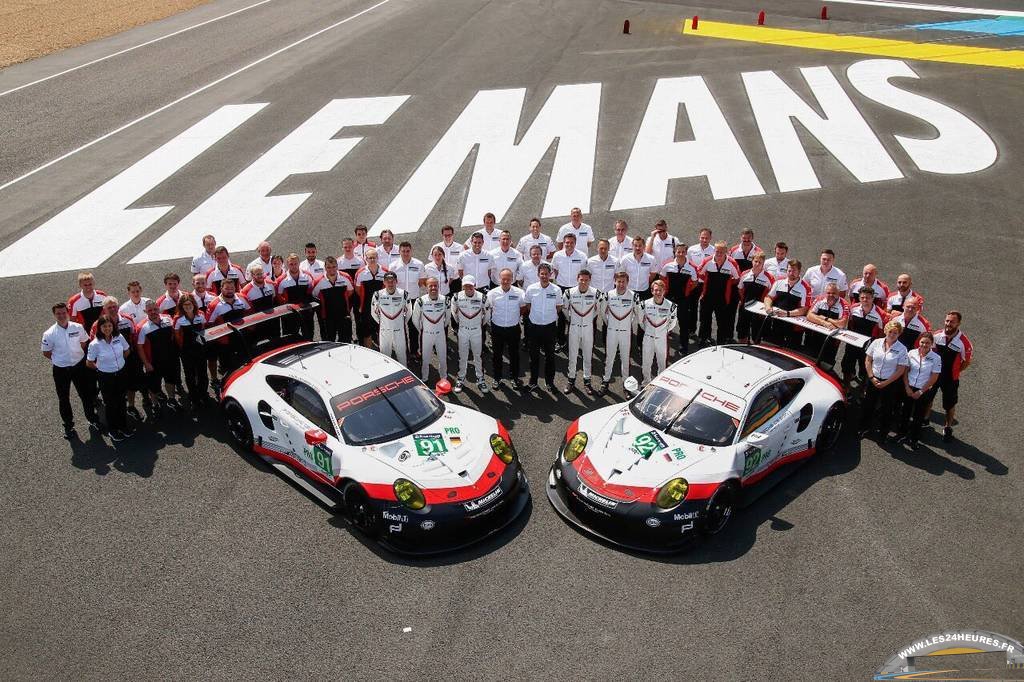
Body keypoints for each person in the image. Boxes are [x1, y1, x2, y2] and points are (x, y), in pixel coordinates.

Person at [42, 302, 98, 437]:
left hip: (79, 366)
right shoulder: (49, 333)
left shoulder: (78, 327)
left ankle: (92, 419)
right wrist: (61, 360)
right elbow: (46, 352)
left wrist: (75, 356)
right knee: (63, 398)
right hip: (61, 370)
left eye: (63, 313)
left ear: (67, 313)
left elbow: (84, 342)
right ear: (54, 315)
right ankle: (68, 426)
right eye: (58, 313)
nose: (61, 316)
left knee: (86, 395)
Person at [860, 319, 909, 440]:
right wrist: (871, 377)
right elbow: (868, 360)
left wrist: (886, 383)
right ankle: (864, 428)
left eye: (895, 333)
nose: (892, 334)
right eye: (890, 331)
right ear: (886, 330)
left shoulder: (902, 349)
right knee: (868, 405)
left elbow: (901, 369)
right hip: (873, 380)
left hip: (890, 383)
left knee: (887, 409)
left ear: (899, 334)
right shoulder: (876, 342)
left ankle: (883, 433)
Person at [98, 296, 146, 421]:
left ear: (118, 307)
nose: (112, 309)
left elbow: (133, 337)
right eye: (109, 307)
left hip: (128, 359)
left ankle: (130, 406)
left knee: (131, 384)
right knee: (115, 389)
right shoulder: (98, 324)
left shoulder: (128, 319)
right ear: (104, 309)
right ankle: (118, 412)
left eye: (114, 306)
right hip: (110, 364)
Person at [87, 315, 132, 441]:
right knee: (111, 403)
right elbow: (89, 362)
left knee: (122, 401)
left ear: (113, 326)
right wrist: (101, 368)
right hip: (106, 377)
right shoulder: (95, 344)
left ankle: (123, 426)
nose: (107, 328)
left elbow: (127, 350)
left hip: (121, 373)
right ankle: (113, 430)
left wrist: (119, 362)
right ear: (99, 328)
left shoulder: (118, 337)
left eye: (109, 326)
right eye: (104, 326)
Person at [931, 310, 973, 443]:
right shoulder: (936, 335)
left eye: (952, 322)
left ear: (958, 323)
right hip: (934, 374)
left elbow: (966, 362)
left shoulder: (964, 342)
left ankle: (948, 427)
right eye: (947, 321)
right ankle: (925, 420)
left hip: (950, 378)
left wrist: (955, 371)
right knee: (928, 398)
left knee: (949, 404)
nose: (948, 324)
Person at [136, 299, 181, 414]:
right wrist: (146, 363)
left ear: (158, 309)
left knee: (170, 380)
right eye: (150, 310)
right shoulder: (142, 327)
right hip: (154, 362)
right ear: (145, 311)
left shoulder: (168, 319)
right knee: (153, 386)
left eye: (155, 309)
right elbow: (140, 347)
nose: (153, 312)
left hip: (170, 359)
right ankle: (155, 405)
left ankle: (171, 399)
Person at [562, 269, 602, 395]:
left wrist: (588, 320)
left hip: (588, 327)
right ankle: (571, 380)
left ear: (590, 280)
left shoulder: (596, 293)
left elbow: (597, 310)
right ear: (577, 279)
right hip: (574, 327)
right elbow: (564, 310)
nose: (583, 282)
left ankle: (587, 381)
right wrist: (572, 320)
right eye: (581, 279)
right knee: (573, 355)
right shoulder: (569, 292)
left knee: (587, 355)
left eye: (586, 280)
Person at [523, 263, 563, 391]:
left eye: (547, 274)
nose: (544, 276)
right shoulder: (531, 288)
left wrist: (548, 317)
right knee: (534, 356)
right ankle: (533, 382)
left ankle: (549, 382)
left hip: (549, 327)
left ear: (551, 274)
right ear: (538, 274)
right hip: (534, 327)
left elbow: (558, 307)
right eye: (542, 274)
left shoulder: (556, 290)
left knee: (550, 357)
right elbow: (528, 304)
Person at [899, 331, 942, 449]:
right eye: (922, 342)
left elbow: (934, 377)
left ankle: (914, 439)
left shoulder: (936, 358)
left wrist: (921, 391)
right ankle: (901, 434)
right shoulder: (911, 353)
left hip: (923, 390)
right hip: (909, 387)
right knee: (905, 413)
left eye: (927, 343)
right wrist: (907, 387)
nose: (924, 345)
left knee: (918, 416)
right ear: (919, 342)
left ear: (932, 344)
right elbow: (906, 370)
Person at [487, 269, 526, 390]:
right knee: (497, 355)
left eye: (508, 279)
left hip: (513, 328)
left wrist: (514, 318)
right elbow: (489, 309)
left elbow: (523, 308)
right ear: (499, 279)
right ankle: (497, 378)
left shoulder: (520, 292)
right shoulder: (492, 293)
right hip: (497, 328)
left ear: (512, 279)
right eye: (503, 279)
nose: (505, 281)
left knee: (514, 355)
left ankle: (514, 378)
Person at [840, 287, 887, 388]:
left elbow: (882, 333)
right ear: (859, 298)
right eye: (862, 297)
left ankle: (862, 390)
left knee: (865, 368)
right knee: (847, 365)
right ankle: (846, 387)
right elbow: (849, 323)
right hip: (852, 343)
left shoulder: (881, 314)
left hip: (868, 347)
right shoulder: (853, 308)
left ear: (873, 298)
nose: (865, 300)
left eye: (868, 298)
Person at [697, 241, 741, 345]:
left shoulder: (732, 263)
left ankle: (721, 343)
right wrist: (707, 281)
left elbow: (737, 278)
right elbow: (700, 273)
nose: (719, 253)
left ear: (726, 251)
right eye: (717, 251)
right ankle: (703, 340)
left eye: (722, 251)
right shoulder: (707, 261)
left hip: (722, 299)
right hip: (707, 297)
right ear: (714, 250)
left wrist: (728, 283)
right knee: (704, 321)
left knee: (722, 323)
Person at [450, 276, 488, 393]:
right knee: (463, 356)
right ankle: (461, 378)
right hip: (463, 331)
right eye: (466, 285)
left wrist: (478, 326)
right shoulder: (456, 297)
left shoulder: (483, 297)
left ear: (474, 285)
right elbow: (454, 314)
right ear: (463, 286)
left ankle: (480, 379)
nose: (468, 288)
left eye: (471, 285)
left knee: (478, 356)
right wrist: (461, 325)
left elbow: (486, 316)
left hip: (476, 331)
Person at [636, 280, 677, 385]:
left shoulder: (671, 306)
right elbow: (640, 321)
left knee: (662, 364)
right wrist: (648, 330)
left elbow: (672, 324)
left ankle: (660, 384)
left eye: (660, 290)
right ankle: (646, 382)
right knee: (646, 363)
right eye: (655, 290)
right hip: (648, 337)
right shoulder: (644, 304)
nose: (658, 292)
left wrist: (663, 332)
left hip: (661, 339)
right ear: (651, 291)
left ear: (664, 291)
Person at [601, 271, 636, 393]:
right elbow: (603, 313)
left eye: (624, 282)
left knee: (625, 359)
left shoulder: (633, 295)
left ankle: (626, 384)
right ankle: (605, 381)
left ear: (627, 282)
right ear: (615, 281)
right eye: (619, 281)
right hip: (612, 331)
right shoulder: (608, 294)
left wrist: (628, 323)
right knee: (609, 357)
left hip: (625, 332)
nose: (621, 284)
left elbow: (637, 315)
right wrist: (610, 324)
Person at [763, 260, 812, 347]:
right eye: (789, 270)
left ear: (799, 271)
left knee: (790, 353)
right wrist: (768, 307)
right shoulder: (779, 281)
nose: (791, 273)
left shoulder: (806, 288)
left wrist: (788, 314)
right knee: (773, 349)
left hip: (794, 327)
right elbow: (769, 297)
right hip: (777, 322)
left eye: (794, 271)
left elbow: (805, 309)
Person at [660, 244, 698, 356]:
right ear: (675, 252)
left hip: (683, 300)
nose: (680, 254)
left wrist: (686, 291)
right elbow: (662, 278)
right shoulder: (668, 266)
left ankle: (683, 347)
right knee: (665, 322)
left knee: (684, 324)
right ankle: (662, 344)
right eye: (678, 252)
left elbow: (695, 282)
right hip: (669, 299)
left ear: (686, 253)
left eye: (683, 252)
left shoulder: (691, 268)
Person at [173, 294, 209, 410]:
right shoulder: (178, 319)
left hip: (200, 349)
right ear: (181, 306)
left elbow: (204, 329)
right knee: (190, 375)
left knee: (203, 373)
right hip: (186, 351)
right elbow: (177, 336)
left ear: (194, 304)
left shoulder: (201, 315)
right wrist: (182, 349)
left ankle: (203, 394)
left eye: (190, 304)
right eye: (185, 304)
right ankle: (194, 398)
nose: (188, 306)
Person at [411, 277, 450, 383]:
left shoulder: (445, 300)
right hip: (426, 334)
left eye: (435, 285)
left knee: (442, 358)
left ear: (438, 286)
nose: (433, 288)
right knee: (425, 359)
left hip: (440, 334)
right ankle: (425, 378)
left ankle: (444, 377)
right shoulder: (420, 301)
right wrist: (422, 330)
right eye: (430, 286)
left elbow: (448, 317)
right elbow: (415, 319)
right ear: (426, 287)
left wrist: (441, 327)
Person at [391, 241, 426, 357]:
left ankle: (414, 350)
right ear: (399, 252)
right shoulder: (393, 266)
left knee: (413, 326)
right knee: (400, 328)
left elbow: (421, 282)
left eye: (408, 251)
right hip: (399, 301)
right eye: (403, 251)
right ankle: (403, 351)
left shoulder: (419, 264)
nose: (405, 253)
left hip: (413, 300)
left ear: (411, 251)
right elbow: (392, 284)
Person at [552, 233, 585, 348]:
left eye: (571, 243)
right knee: (561, 316)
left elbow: (583, 273)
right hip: (562, 288)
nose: (569, 245)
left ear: (575, 244)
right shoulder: (557, 255)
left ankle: (576, 342)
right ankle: (560, 341)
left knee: (577, 315)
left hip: (576, 289)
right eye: (567, 242)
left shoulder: (582, 256)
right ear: (563, 243)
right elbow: (555, 270)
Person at [312, 256, 355, 343]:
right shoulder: (318, 281)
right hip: (327, 317)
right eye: (328, 267)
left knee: (346, 341)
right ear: (325, 268)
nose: (331, 269)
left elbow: (350, 291)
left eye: (334, 267)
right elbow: (314, 295)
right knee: (329, 342)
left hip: (344, 315)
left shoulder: (346, 277)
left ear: (337, 266)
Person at [371, 272, 411, 365]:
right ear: (384, 282)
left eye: (392, 281)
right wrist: (383, 323)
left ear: (396, 281)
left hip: (399, 330)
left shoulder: (404, 294)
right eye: (387, 281)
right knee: (385, 357)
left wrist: (401, 323)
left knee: (402, 356)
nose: (390, 284)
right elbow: (373, 313)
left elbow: (409, 312)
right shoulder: (377, 295)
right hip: (384, 330)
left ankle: (404, 375)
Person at [805, 282, 850, 365]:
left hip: (832, 341)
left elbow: (842, 324)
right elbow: (809, 315)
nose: (831, 295)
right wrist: (824, 322)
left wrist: (825, 318)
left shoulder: (844, 305)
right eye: (828, 293)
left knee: (826, 365)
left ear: (838, 293)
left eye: (834, 293)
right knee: (809, 361)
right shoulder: (819, 299)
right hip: (815, 337)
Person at [735, 252, 773, 345]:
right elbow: (740, 289)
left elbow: (771, 295)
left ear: (763, 263)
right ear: (752, 261)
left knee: (756, 334)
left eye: (760, 262)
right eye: (755, 261)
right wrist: (743, 301)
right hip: (745, 307)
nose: (757, 264)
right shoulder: (745, 274)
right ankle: (742, 349)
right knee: (742, 332)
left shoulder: (769, 278)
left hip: (759, 311)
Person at [275, 253, 315, 339]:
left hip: (306, 311)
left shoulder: (307, 276)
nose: (294, 266)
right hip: (290, 314)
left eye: (295, 263)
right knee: (291, 339)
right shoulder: (281, 280)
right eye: (291, 264)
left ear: (299, 263)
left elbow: (311, 291)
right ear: (287, 265)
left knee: (309, 336)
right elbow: (279, 297)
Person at [354, 248, 387, 347]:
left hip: (381, 307)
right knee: (367, 332)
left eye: (374, 257)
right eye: (370, 258)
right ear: (365, 259)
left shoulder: (385, 271)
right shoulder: (360, 273)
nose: (372, 260)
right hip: (366, 307)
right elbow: (357, 289)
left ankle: (384, 353)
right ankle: (369, 353)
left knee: (382, 331)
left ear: (378, 258)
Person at [686, 228, 715, 333]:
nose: (704, 240)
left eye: (706, 238)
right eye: (702, 237)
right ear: (699, 237)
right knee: (692, 306)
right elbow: (688, 265)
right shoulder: (691, 249)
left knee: (705, 309)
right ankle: (691, 329)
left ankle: (704, 333)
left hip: (708, 284)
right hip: (694, 282)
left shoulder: (714, 251)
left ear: (710, 238)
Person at [620, 235, 656, 300]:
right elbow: (621, 274)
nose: (637, 248)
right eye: (635, 245)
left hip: (644, 291)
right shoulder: (625, 259)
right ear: (632, 246)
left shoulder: (651, 259)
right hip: (629, 291)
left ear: (644, 246)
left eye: (640, 245)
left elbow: (653, 274)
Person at [433, 224, 464, 292]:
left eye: (449, 235)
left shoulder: (460, 248)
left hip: (455, 281)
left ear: (453, 235)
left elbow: (462, 264)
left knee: (455, 301)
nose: (447, 237)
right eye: (445, 235)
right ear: (442, 235)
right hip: (441, 281)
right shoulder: (436, 247)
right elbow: (433, 263)